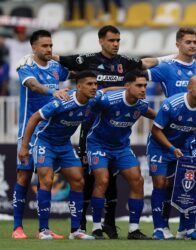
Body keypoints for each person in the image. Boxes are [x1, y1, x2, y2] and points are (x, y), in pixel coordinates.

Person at [52, 25, 160, 239]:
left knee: (111, 180)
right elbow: (61, 61)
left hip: (117, 137)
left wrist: (173, 57)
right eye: (112, 40)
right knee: (91, 178)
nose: (116, 44)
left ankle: (111, 225)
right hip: (91, 130)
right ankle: (83, 225)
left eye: (118, 40)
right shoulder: (88, 60)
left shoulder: (126, 64)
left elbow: (148, 64)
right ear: (101, 41)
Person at [18, 71, 105, 240]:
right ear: (78, 86)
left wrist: (124, 87)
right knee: (47, 180)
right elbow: (34, 118)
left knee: (78, 180)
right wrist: (24, 147)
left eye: (96, 84)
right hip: (44, 141)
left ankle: (75, 231)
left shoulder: (92, 99)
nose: (94, 87)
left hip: (64, 144)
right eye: (90, 84)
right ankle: (43, 230)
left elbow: (107, 91)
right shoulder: (62, 102)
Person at [147, 27, 196, 239]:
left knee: (189, 185)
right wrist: (164, 59)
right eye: (188, 42)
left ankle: (187, 229)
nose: (192, 45)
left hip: (186, 141)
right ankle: (160, 227)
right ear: (178, 44)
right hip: (164, 138)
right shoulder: (167, 67)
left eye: (195, 42)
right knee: (161, 184)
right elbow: (139, 69)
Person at [12, 30, 69, 239]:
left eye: (51, 46)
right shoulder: (26, 66)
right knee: (24, 176)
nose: (49, 49)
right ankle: (17, 227)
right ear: (33, 47)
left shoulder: (55, 67)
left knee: (47, 178)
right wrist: (51, 91)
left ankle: (44, 229)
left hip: (49, 133)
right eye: (44, 46)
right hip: (28, 131)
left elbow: (72, 71)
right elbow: (32, 85)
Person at [87, 70, 155, 240]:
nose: (143, 89)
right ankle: (96, 228)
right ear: (127, 86)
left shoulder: (141, 105)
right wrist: (102, 91)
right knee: (102, 180)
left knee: (137, 180)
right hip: (98, 144)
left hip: (121, 147)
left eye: (145, 86)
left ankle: (133, 230)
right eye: (139, 85)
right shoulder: (109, 100)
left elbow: (157, 116)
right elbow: (87, 105)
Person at [0, 26, 31, 96]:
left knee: (25, 99)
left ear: (25, 33)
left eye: (22, 33)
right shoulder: (12, 42)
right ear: (16, 34)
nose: (21, 35)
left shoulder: (30, 44)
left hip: (26, 77)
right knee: (13, 100)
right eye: (19, 33)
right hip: (13, 76)